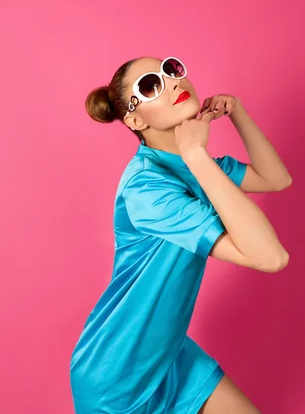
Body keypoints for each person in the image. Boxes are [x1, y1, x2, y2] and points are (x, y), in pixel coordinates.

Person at [69, 55, 291, 413]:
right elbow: (271, 256)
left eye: (170, 70)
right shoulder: (146, 190)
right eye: (151, 85)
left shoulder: (195, 168)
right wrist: (195, 153)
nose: (173, 82)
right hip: (116, 375)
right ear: (135, 119)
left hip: (171, 354)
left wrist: (238, 114)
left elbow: (275, 178)